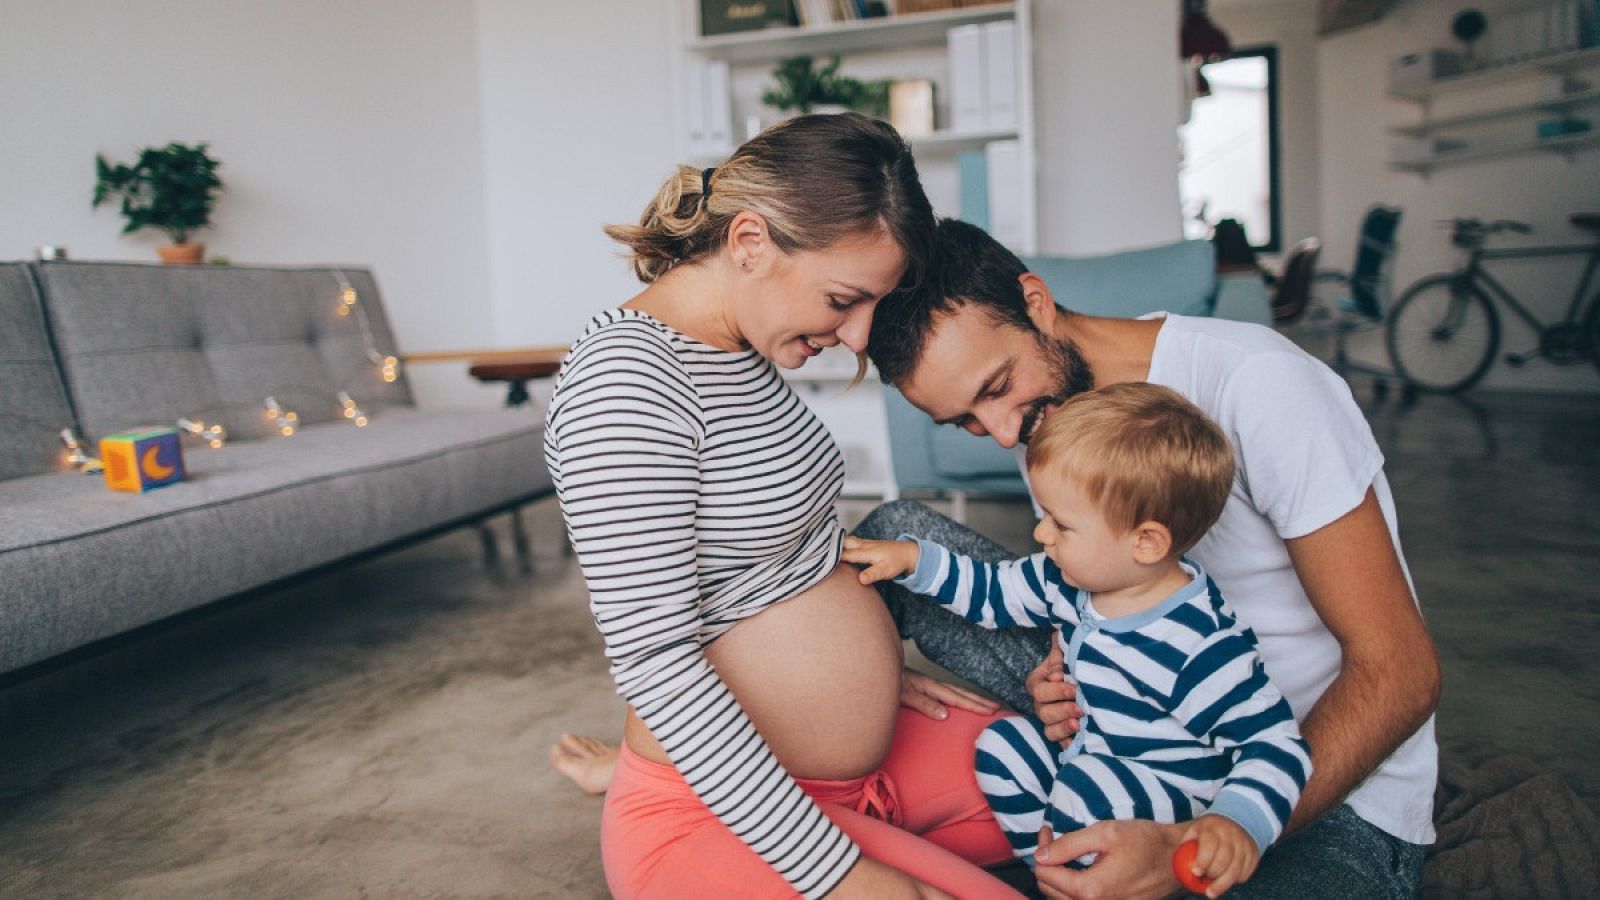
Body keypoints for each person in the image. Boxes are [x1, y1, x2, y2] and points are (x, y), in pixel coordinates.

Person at [854, 218, 1440, 899]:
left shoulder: (1259, 384)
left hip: (1312, 783)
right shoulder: (1043, 411)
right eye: (966, 422)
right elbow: (1096, 584)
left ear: (1036, 304)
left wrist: (1195, 844)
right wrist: (1058, 659)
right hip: (1136, 728)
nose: (1003, 433)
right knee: (891, 535)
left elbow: (1401, 672)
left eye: (994, 388)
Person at [544, 115, 1023, 899]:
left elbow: (769, 559)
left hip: (843, 763)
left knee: (1088, 804)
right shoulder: (625, 387)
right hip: (713, 810)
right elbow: (657, 663)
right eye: (844, 299)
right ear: (749, 243)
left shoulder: (736, 344)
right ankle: (636, 791)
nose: (859, 334)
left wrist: (856, 678)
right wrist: (840, 876)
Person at [844, 382, 1312, 898]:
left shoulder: (1197, 645)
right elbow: (992, 591)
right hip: (1090, 755)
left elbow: (1275, 744)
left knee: (1086, 791)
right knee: (1002, 748)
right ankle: (1056, 874)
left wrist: (1236, 822)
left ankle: (1084, 868)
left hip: (1164, 796)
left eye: (1060, 525)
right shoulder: (1069, 579)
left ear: (1146, 542)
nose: (1041, 536)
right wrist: (913, 561)